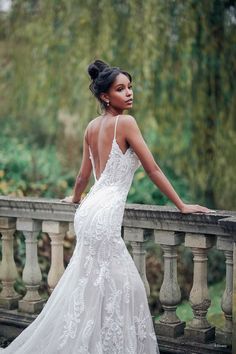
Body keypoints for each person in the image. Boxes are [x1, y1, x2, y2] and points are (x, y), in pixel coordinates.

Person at [1, 60, 212, 354]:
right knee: (125, 287)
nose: (129, 93)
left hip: (89, 212)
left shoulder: (91, 127)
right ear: (105, 96)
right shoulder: (125, 123)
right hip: (105, 213)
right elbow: (153, 169)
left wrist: (75, 199)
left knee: (93, 284)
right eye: (120, 89)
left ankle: (93, 343)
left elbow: (82, 176)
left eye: (130, 87)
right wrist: (182, 205)